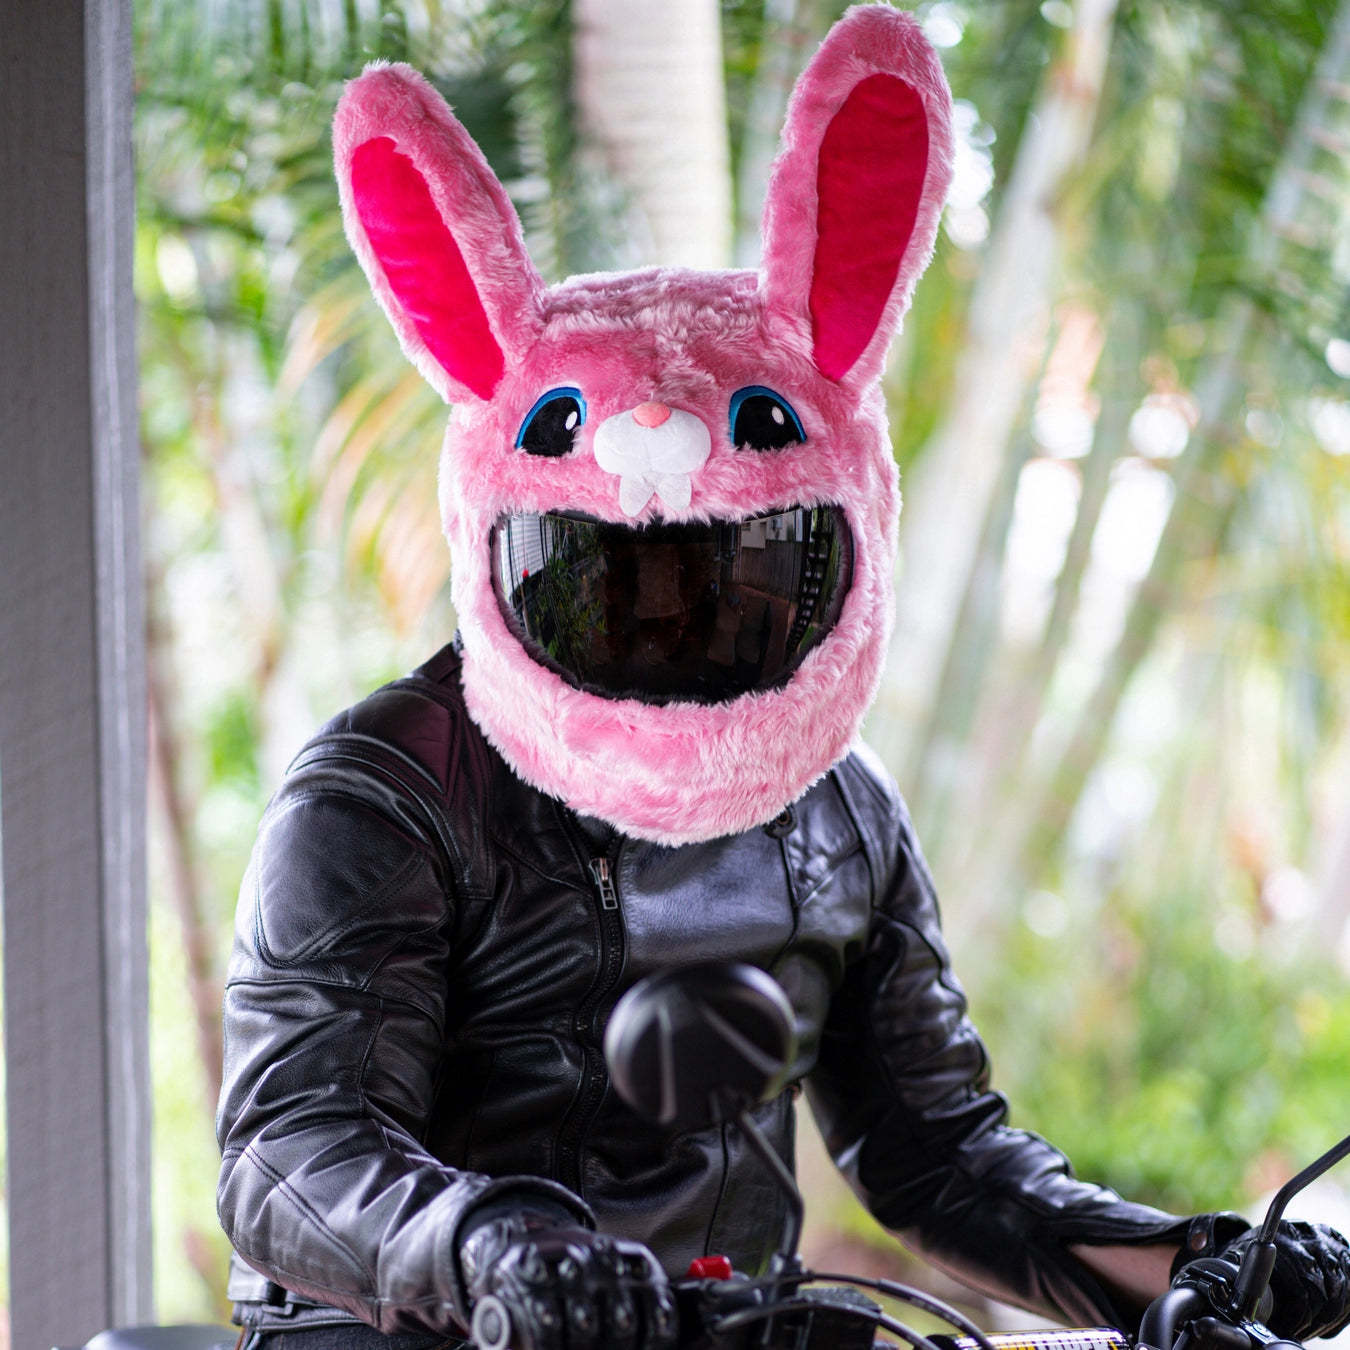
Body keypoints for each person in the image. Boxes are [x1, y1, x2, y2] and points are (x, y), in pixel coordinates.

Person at [216, 8, 1350, 1348]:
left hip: (724, 1325)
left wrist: (1193, 1262)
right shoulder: (388, 788)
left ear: (835, 547)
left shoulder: (839, 812)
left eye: (728, 575)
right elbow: (290, 1148)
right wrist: (490, 1246)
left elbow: (934, 1152)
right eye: (609, 577)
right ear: (505, 547)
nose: (667, 619)